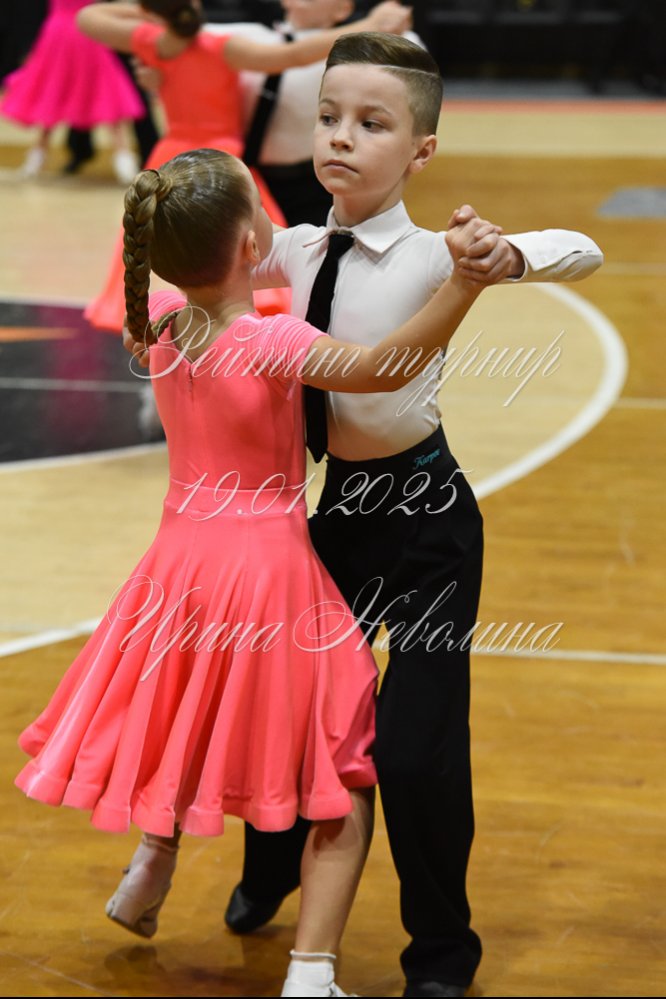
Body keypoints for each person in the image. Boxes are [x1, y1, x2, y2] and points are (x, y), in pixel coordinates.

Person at [122, 33, 603, 998]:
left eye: (372, 124)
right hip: (332, 515)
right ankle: (268, 873)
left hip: (426, 517)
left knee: (416, 751)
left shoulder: (433, 255)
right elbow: (205, 267)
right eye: (330, 116)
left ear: (421, 151)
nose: (341, 137)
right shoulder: (290, 249)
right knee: (289, 718)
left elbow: (580, 250)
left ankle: (442, 948)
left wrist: (505, 254)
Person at [15, 147, 492, 998]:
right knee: (343, 761)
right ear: (248, 242)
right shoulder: (272, 340)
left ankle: (150, 865)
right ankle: (311, 972)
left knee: (188, 714)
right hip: (266, 570)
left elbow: (177, 289)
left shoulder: (160, 321)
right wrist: (462, 285)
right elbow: (382, 368)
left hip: (177, 564)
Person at [77, 0, 410, 332]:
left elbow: (88, 17)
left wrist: (153, 13)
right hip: (220, 158)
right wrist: (368, 25)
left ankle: (182, 330)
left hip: (171, 156)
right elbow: (292, 56)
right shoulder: (221, 46)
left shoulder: (153, 41)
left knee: (175, 241)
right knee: (238, 245)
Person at [204, 0, 423, 226]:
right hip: (251, 175)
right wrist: (372, 24)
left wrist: (390, 20)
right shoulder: (247, 36)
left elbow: (411, 46)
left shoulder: (356, 52)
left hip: (315, 183)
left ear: (343, 9)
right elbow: (186, 28)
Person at [0, 0, 142, 182]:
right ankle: (124, 163)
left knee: (59, 94)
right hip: (75, 34)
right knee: (70, 93)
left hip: (73, 34)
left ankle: (36, 161)